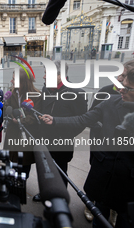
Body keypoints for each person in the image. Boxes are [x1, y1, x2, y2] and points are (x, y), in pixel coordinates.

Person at [40, 66, 134, 228]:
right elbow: (83, 119)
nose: (121, 89)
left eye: (128, 88)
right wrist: (55, 120)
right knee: (99, 219)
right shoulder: (110, 102)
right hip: (104, 179)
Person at [84, 59, 134, 223]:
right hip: (102, 151)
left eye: (124, 75)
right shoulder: (106, 91)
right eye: (120, 74)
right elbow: (90, 117)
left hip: (128, 168)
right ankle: (92, 204)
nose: (120, 79)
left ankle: (113, 211)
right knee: (100, 187)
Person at [32, 60, 87, 202]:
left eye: (47, 73)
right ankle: (45, 193)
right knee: (45, 170)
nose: (44, 77)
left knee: (61, 171)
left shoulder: (77, 93)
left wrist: (63, 135)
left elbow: (81, 122)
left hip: (62, 143)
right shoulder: (46, 89)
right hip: (44, 140)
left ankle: (59, 200)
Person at [6, 68, 41, 178]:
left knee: (23, 168)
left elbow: (36, 117)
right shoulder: (11, 92)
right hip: (12, 133)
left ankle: (21, 187)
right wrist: (12, 117)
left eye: (14, 79)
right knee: (11, 163)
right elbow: (6, 107)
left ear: (23, 81)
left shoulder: (36, 95)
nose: (11, 81)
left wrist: (21, 120)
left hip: (26, 136)